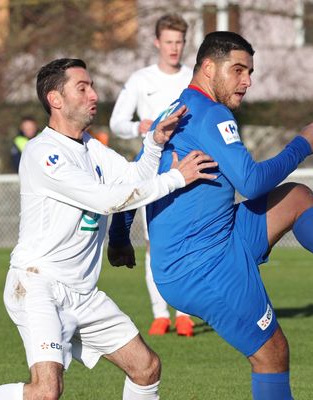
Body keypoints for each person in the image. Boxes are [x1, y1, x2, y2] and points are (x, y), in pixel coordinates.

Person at [109, 32, 313, 400]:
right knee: (271, 354)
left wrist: (119, 238)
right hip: (200, 266)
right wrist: (302, 144)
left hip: (220, 237)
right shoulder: (210, 114)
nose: (247, 81)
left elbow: (137, 175)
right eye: (238, 70)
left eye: (250, 72)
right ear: (208, 67)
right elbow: (251, 182)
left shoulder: (174, 110)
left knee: (297, 197)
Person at [0, 58, 216, 400]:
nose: (94, 94)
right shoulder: (44, 152)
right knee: (46, 392)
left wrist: (154, 143)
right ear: (55, 100)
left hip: (82, 293)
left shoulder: (90, 147)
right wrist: (177, 178)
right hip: (38, 284)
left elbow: (134, 179)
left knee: (146, 368)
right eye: (82, 87)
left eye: (91, 85)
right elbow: (108, 200)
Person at [108, 13, 195, 337]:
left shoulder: (192, 78)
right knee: (154, 240)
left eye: (179, 42)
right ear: (157, 42)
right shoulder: (141, 79)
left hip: (187, 165)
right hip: (151, 165)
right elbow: (118, 122)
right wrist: (139, 126)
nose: (174, 48)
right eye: (169, 41)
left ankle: (184, 313)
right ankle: (160, 314)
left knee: (186, 240)